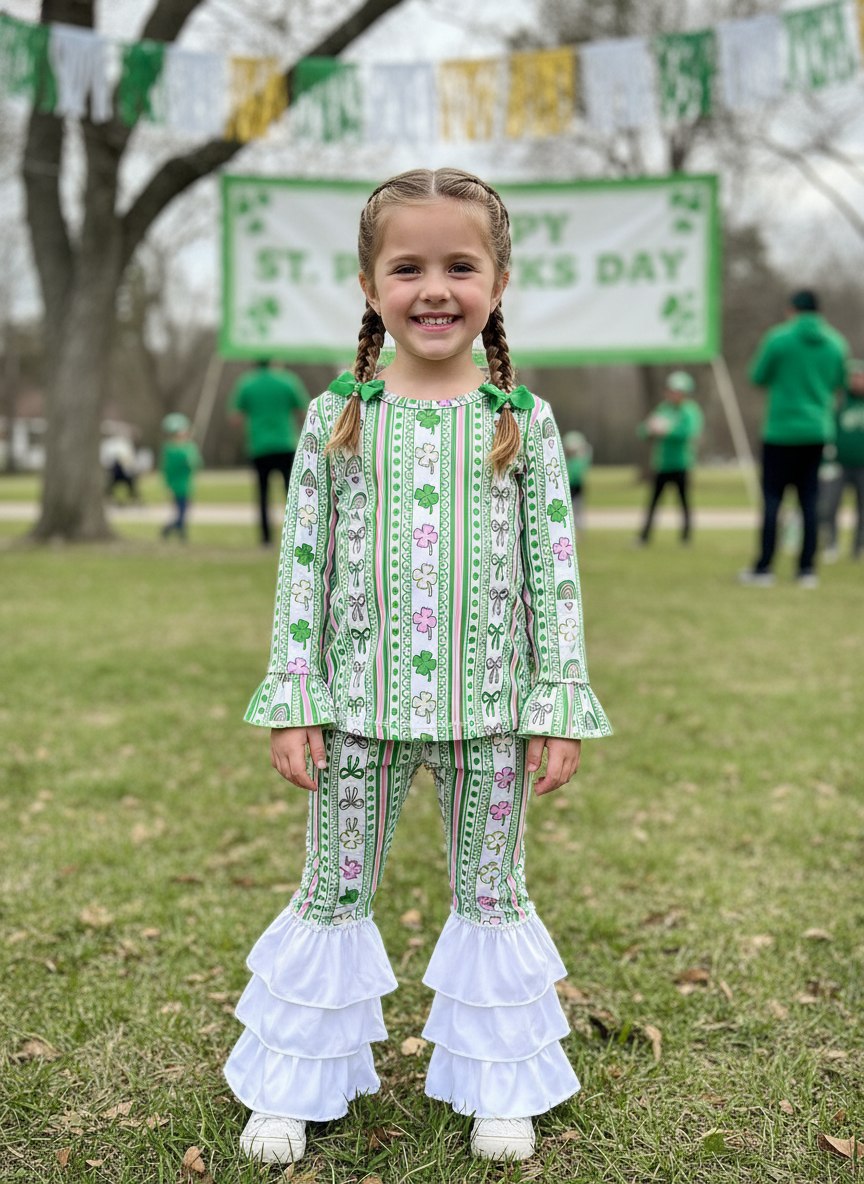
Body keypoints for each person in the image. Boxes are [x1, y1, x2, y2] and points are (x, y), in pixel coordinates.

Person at [222, 169, 612, 1167]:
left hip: (490, 714)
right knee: (329, 891)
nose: (433, 287)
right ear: (369, 284)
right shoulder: (332, 417)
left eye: (458, 265)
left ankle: (499, 1083)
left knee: (494, 894)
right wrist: (293, 696)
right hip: (354, 713)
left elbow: (554, 569)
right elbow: (301, 567)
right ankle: (292, 1080)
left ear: (498, 279)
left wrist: (556, 701)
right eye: (408, 266)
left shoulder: (522, 416)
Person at [740, 290, 848, 587]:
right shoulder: (836, 342)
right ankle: (806, 570)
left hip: (780, 431)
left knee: (773, 499)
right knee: (809, 501)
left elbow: (757, 376)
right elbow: (839, 381)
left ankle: (764, 569)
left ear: (792, 310)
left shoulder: (779, 338)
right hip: (817, 431)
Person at [229, 360, 309, 546]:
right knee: (292, 493)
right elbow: (304, 410)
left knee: (263, 493)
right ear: (275, 361)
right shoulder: (288, 381)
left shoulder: (246, 383)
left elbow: (234, 417)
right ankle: (299, 535)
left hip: (259, 445)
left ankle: (266, 539)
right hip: (285, 443)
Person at [635, 370, 703, 544]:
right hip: (662, 464)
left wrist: (667, 430)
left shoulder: (690, 411)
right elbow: (644, 431)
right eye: (671, 390)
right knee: (653, 502)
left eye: (678, 391)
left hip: (681, 463)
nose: (673, 394)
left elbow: (689, 432)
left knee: (683, 502)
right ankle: (644, 537)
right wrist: (649, 429)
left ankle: (686, 537)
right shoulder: (663, 409)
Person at [821, 359, 864, 562]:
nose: (858, 382)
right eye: (854, 378)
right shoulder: (839, 401)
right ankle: (832, 544)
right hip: (839, 464)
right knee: (830, 506)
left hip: (862, 466)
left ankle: (859, 548)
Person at [160, 413, 201, 540]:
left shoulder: (189, 447)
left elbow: (197, 463)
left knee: (184, 510)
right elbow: (170, 466)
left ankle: (179, 531)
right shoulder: (171, 449)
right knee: (182, 510)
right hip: (177, 484)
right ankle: (172, 529)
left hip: (187, 483)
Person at [562, 429, 592, 533]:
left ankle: (579, 529)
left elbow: (588, 454)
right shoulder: (565, 460)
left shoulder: (579, 461)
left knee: (578, 509)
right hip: (567, 487)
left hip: (577, 487)